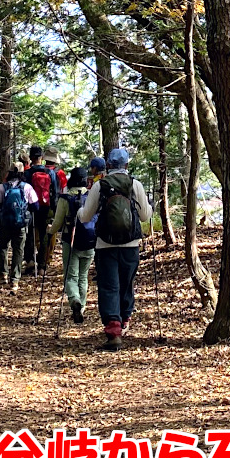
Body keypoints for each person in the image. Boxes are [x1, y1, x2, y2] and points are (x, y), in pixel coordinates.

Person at [77, 148, 152, 351]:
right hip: (130, 245)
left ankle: (113, 331)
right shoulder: (135, 184)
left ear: (108, 165)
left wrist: (79, 209)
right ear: (126, 165)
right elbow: (145, 216)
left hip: (105, 244)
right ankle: (124, 319)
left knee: (109, 286)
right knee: (127, 283)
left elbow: (85, 217)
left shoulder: (100, 186)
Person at [50, 166, 97, 324]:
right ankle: (81, 307)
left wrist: (49, 232)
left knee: (71, 276)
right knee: (83, 277)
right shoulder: (91, 196)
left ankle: (74, 300)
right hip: (90, 241)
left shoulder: (64, 198)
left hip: (70, 241)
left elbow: (57, 223)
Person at [0, 168, 31, 292]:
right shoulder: (26, 187)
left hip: (5, 223)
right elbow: (35, 205)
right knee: (18, 250)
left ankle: (3, 275)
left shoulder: (3, 187)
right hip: (21, 223)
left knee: (3, 247)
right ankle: (15, 280)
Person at [24, 145, 61, 276]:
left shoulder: (27, 173)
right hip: (46, 208)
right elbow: (56, 193)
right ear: (41, 158)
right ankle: (42, 266)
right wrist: (55, 210)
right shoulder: (50, 173)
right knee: (45, 235)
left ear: (31, 157)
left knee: (30, 234)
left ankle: (29, 261)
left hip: (31, 208)